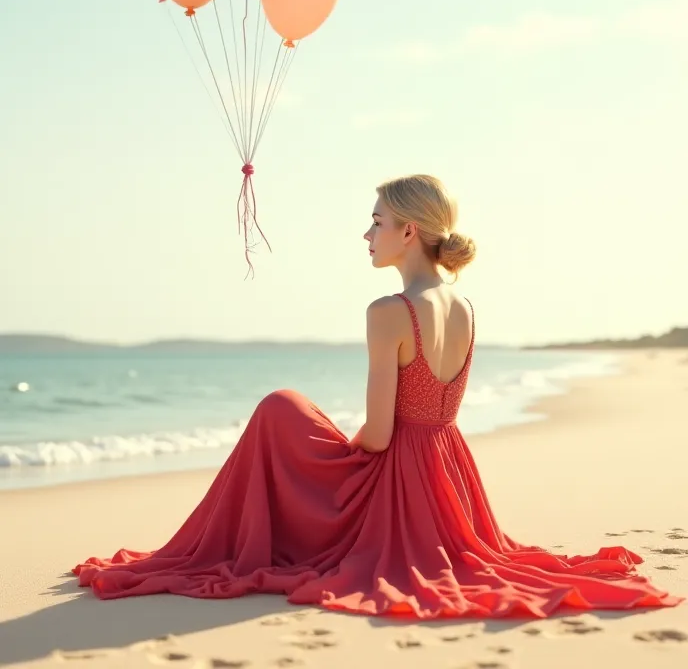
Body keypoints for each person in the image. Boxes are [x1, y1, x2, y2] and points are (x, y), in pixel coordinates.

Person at [73, 174, 682, 617]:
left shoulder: (390, 312)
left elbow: (384, 434)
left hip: (402, 486)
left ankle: (248, 531)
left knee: (278, 408)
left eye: (376, 221)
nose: (366, 233)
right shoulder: (463, 304)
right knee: (291, 411)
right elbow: (430, 417)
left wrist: (339, 449)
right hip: (451, 480)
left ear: (408, 231)